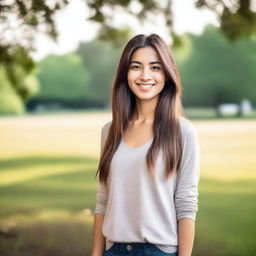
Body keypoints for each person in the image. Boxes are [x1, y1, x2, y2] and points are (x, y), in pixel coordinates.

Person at [91, 34, 200, 256]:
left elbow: (186, 203)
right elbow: (103, 199)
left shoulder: (183, 132)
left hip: (158, 250)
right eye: (136, 67)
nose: (145, 75)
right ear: (126, 73)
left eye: (155, 67)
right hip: (113, 250)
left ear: (167, 75)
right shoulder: (110, 131)